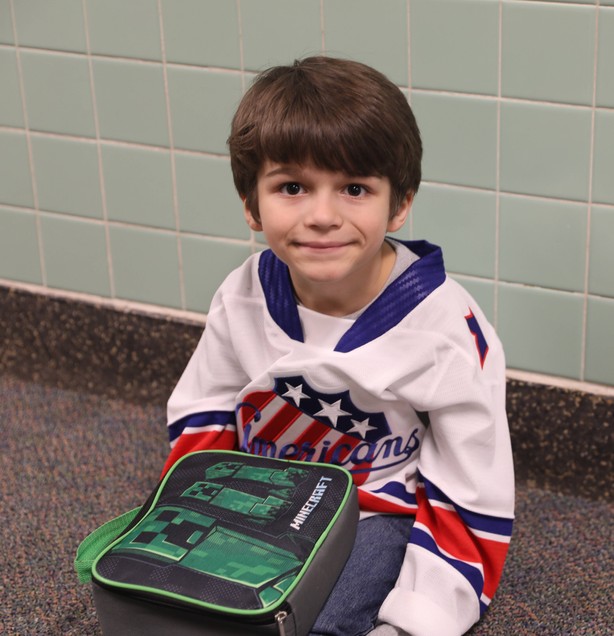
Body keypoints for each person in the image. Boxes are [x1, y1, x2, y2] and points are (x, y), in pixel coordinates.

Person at [162, 56, 515, 636]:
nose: (322, 216)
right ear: (252, 205)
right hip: (260, 497)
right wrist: (188, 521)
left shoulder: (446, 326)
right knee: (183, 603)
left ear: (398, 203)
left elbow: (471, 481)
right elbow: (207, 406)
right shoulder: (245, 292)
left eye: (354, 188)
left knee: (315, 625)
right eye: (292, 187)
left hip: (372, 507)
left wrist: (425, 611)